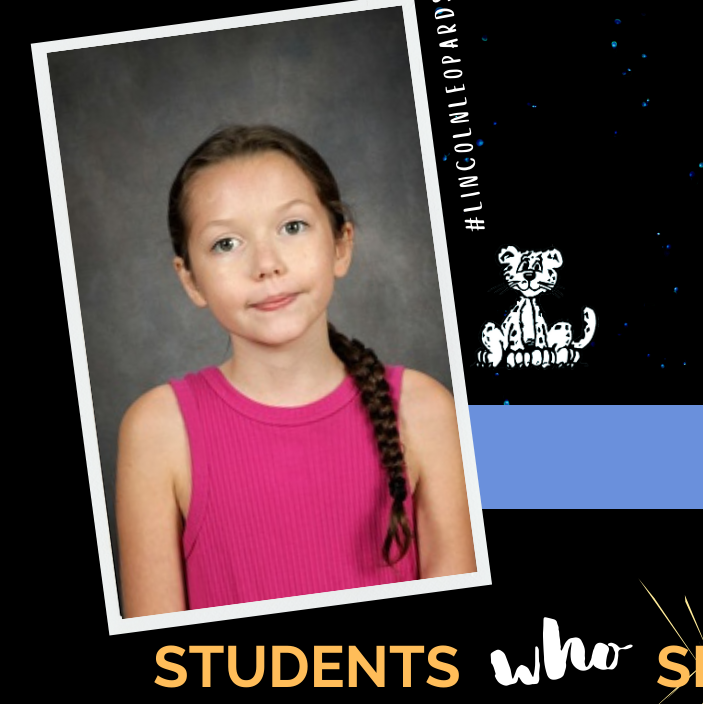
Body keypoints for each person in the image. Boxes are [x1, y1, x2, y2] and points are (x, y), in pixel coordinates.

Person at [116, 125, 475, 616]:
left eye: (292, 227)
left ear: (341, 244)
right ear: (190, 279)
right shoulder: (157, 431)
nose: (266, 264)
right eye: (226, 243)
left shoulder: (427, 410)